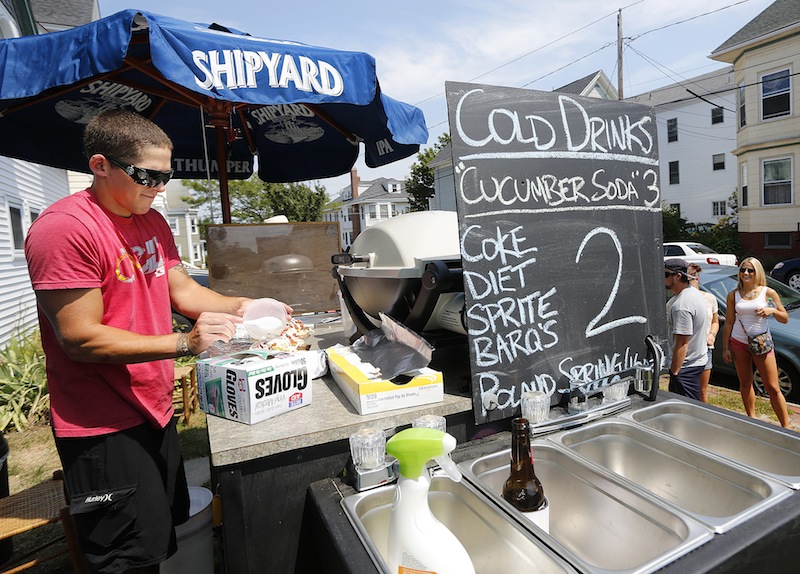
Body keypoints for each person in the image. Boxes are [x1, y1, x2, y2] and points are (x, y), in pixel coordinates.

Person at [24, 109, 290, 573]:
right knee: (125, 560)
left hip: (154, 406)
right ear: (100, 165)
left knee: (158, 541)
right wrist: (185, 344)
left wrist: (243, 305)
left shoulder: (151, 220)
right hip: (103, 424)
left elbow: (183, 291)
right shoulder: (65, 229)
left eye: (165, 174)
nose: (160, 186)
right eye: (147, 174)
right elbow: (80, 339)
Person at [722, 257, 790, 428]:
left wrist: (772, 310)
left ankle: (786, 427)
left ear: (757, 272)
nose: (746, 273)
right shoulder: (733, 295)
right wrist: (725, 348)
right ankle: (751, 419)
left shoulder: (767, 292)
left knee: (773, 387)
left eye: (750, 270)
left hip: (761, 344)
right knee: (745, 383)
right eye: (743, 270)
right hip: (739, 342)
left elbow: (785, 319)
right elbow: (729, 321)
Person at [664, 258, 710, 400]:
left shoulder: (681, 305)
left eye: (665, 275)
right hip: (697, 362)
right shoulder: (694, 293)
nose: (662, 279)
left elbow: (683, 343)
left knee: (686, 411)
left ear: (678, 276)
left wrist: (675, 372)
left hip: (686, 368)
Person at [687, 263, 719, 402]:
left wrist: (712, 335)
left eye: (691, 280)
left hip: (706, 349)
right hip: (688, 350)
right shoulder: (682, 300)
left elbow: (715, 321)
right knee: (688, 388)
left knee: (702, 390)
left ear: (697, 279)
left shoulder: (709, 298)